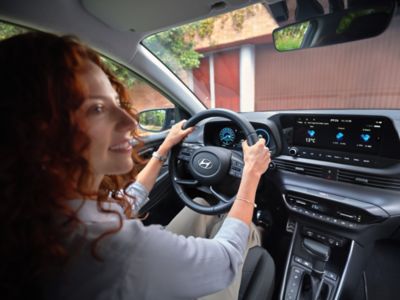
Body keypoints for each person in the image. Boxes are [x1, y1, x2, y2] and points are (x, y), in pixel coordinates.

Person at [0, 31, 271, 300]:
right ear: (37, 132)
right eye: (96, 109)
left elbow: (124, 203)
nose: (130, 122)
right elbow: (224, 262)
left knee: (202, 208)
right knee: (248, 240)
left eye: (116, 103)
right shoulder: (111, 247)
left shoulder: (37, 213)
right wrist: (251, 174)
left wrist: (163, 150)